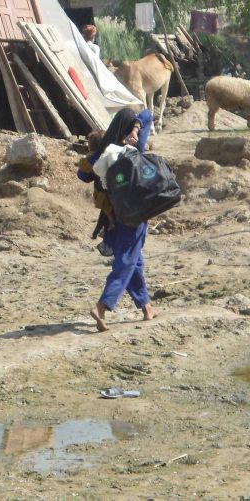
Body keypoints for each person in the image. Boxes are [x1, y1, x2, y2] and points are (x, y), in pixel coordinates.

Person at [77, 107, 158, 332]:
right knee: (127, 260)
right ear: (129, 126)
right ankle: (103, 306)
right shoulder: (134, 147)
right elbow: (148, 113)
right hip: (135, 214)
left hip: (113, 217)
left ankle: (146, 307)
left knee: (134, 259)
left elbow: (82, 175)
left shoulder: (102, 153)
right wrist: (137, 126)